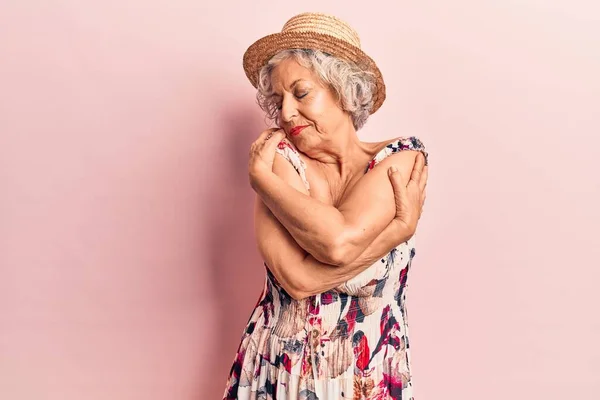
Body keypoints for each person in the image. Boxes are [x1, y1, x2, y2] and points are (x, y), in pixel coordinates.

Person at [223, 12, 429, 400]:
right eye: (278, 99)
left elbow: (337, 242)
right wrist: (393, 234)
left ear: (344, 90)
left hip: (368, 379)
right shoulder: (279, 159)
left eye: (300, 93)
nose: (285, 113)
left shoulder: (402, 158)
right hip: (278, 372)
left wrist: (262, 181)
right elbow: (299, 280)